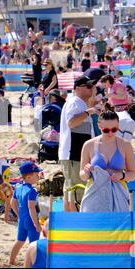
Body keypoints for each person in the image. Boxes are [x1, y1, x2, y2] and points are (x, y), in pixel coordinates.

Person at [58, 76, 96, 212]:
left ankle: (70, 220)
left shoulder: (78, 102)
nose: (91, 89)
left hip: (72, 152)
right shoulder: (76, 102)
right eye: (88, 86)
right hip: (73, 153)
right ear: (78, 88)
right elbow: (72, 123)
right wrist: (87, 112)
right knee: (76, 189)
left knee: (70, 189)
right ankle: (75, 223)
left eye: (92, 86)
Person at [79, 110, 135, 195]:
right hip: (95, 193)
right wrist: (86, 171)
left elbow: (133, 175)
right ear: (99, 126)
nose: (110, 133)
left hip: (118, 193)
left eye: (114, 129)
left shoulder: (125, 145)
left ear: (118, 126)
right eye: (106, 130)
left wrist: (122, 175)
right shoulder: (89, 145)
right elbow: (82, 176)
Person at [10, 161, 42, 265]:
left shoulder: (18, 188)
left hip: (22, 220)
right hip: (31, 221)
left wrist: (18, 214)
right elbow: (31, 208)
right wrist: (36, 224)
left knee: (19, 241)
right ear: (28, 177)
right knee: (33, 244)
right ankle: (30, 265)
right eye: (36, 175)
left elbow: (12, 203)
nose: (38, 176)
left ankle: (11, 260)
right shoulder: (32, 191)